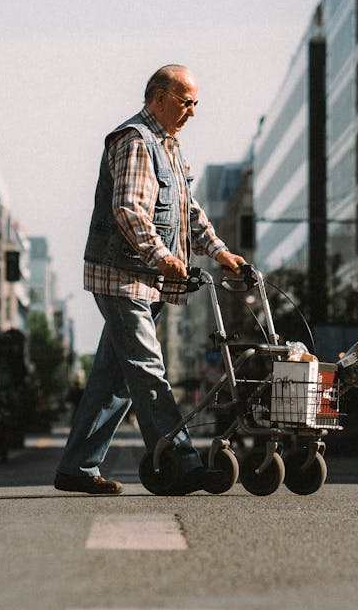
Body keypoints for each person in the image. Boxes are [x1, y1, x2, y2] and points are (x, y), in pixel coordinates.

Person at [54, 64, 245, 495]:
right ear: (157, 98)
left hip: (148, 280)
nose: (192, 112)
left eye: (196, 103)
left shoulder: (170, 147)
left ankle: (76, 468)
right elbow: (128, 209)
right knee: (147, 369)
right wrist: (161, 255)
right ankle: (183, 461)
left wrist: (219, 252)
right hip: (122, 277)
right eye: (185, 102)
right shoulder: (136, 141)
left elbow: (188, 212)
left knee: (115, 378)